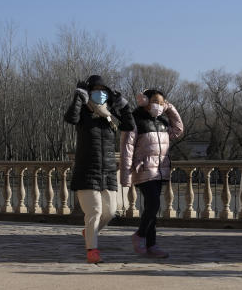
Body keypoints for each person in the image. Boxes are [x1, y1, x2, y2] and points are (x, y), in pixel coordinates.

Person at [65, 74, 132, 264]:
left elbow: (130, 125)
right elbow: (70, 117)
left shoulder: (109, 117)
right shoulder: (84, 115)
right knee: (94, 212)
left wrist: (124, 105)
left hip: (108, 172)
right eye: (96, 91)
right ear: (89, 92)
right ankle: (92, 250)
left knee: (110, 212)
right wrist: (79, 97)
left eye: (103, 91)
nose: (100, 94)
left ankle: (88, 233)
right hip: (87, 171)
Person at [120, 89, 185, 258]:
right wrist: (126, 174)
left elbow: (178, 130)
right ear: (144, 101)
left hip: (160, 170)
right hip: (143, 169)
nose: (159, 105)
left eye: (162, 102)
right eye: (155, 101)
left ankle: (151, 245)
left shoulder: (163, 121)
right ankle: (140, 235)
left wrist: (169, 108)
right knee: (154, 204)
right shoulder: (135, 120)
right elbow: (127, 148)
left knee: (152, 207)